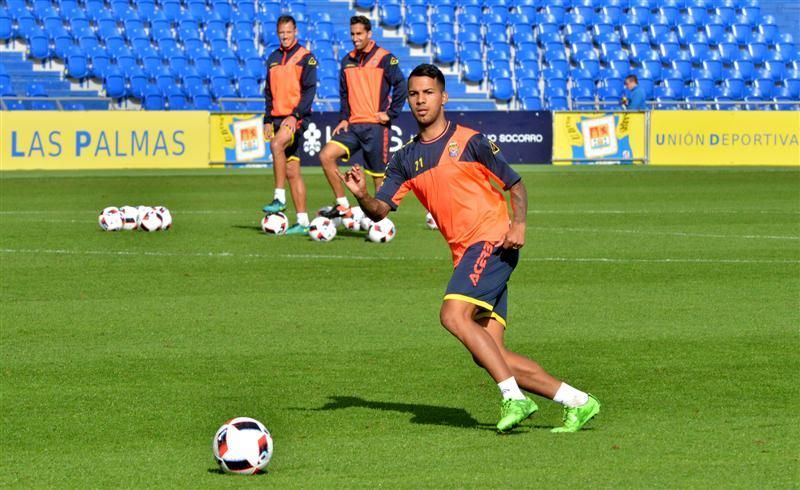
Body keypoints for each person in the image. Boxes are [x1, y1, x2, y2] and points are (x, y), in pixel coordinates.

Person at [339, 64, 601, 433]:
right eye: (414, 94)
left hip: (493, 240)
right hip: (467, 254)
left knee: (452, 316)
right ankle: (578, 402)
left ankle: (514, 398)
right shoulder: (403, 158)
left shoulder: (471, 141)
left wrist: (520, 224)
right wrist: (363, 195)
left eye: (428, 92)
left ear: (444, 97)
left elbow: (515, 184)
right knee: (493, 354)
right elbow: (380, 211)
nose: (420, 100)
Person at [318, 15, 407, 220]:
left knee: (378, 178)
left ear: (369, 34)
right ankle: (342, 205)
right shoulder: (346, 60)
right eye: (352, 34)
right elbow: (344, 92)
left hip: (375, 126)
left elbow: (401, 85)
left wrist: (391, 113)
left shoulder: (385, 57)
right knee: (326, 156)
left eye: (359, 34)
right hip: (352, 126)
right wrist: (343, 118)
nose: (355, 38)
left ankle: (380, 222)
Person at [262, 15, 317, 234]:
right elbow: (268, 92)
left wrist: (296, 115)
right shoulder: (273, 58)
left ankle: (278, 198)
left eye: (288, 31)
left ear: (296, 31)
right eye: (281, 32)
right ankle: (303, 221)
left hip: (295, 119)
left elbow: (309, 91)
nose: (285, 36)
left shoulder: (306, 57)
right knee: (293, 170)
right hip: (276, 118)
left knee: (276, 146)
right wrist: (267, 119)